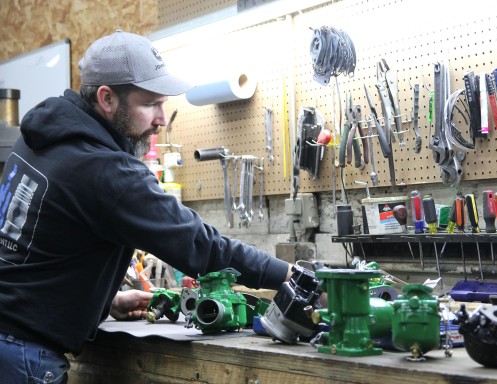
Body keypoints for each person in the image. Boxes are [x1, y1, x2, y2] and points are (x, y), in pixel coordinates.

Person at [0, 30, 291, 383]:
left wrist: (105, 300)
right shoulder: (105, 169)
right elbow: (202, 247)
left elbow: (35, 254)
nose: (161, 118)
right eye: (150, 103)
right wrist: (291, 277)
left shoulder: (39, 137)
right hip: (22, 356)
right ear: (107, 98)